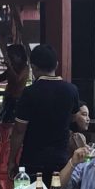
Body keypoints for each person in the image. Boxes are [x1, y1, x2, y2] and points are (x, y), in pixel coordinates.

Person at [7, 44, 81, 181]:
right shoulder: (72, 90)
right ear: (56, 64)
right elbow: (74, 117)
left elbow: (19, 130)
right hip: (61, 159)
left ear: (33, 67)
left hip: (33, 160)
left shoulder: (29, 93)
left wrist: (11, 160)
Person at [0, 44, 30, 123]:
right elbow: (0, 78)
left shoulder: (24, 67)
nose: (10, 59)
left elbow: (17, 79)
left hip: (16, 100)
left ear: (19, 56)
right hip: (8, 98)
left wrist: (9, 67)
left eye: (11, 57)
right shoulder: (13, 67)